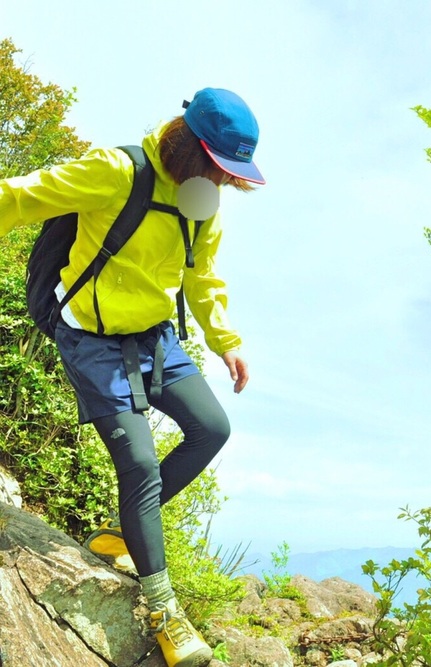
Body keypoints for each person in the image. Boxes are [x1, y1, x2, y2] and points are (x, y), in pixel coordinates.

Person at [0, 87, 265, 667]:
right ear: (192, 148)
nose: (223, 183)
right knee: (140, 464)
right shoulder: (116, 171)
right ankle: (165, 612)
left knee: (211, 428)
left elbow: (201, 277)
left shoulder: (202, 203)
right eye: (219, 169)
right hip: (92, 339)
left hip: (154, 338)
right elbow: (19, 198)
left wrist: (227, 342)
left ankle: (124, 532)